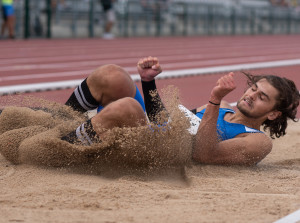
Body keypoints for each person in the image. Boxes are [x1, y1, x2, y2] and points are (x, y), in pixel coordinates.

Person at [0, 57, 299, 167]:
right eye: (253, 88)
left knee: (129, 107)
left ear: (272, 114)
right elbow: (164, 121)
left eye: (262, 98)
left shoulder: (258, 141)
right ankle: (60, 121)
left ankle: (56, 146)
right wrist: (149, 83)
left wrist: (213, 100)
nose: (251, 96)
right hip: (155, 129)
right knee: (113, 74)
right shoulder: (220, 112)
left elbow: (204, 154)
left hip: (158, 151)